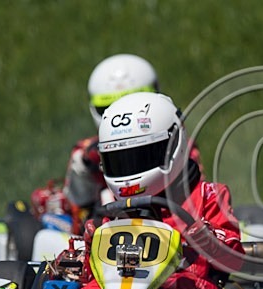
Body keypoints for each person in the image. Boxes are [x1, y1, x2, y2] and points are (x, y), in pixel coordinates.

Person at [75, 91, 244, 289]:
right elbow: (95, 269)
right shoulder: (114, 207)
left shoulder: (207, 195)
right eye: (120, 161)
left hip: (183, 282)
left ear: (173, 146)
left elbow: (233, 258)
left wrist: (202, 235)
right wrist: (90, 245)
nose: (130, 170)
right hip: (121, 283)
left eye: (140, 158)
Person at [30, 53, 203, 233]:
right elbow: (76, 204)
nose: (124, 113)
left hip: (170, 224)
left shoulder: (176, 144)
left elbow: (195, 195)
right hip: (103, 227)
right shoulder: (86, 154)